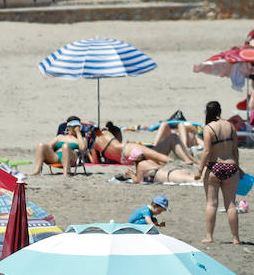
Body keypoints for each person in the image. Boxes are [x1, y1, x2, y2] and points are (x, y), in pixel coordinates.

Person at [199, 100, 242, 244]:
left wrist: (199, 170)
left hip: (214, 167)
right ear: (220, 111)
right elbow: (235, 150)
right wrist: (239, 168)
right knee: (231, 205)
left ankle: (209, 236)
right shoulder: (230, 126)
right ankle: (235, 238)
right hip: (231, 167)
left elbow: (206, 151)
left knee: (211, 204)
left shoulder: (209, 128)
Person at [94, 121, 196, 168]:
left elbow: (95, 161)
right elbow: (102, 133)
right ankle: (185, 162)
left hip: (125, 160)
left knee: (159, 160)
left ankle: (188, 161)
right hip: (128, 149)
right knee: (162, 156)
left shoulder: (95, 143)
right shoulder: (105, 133)